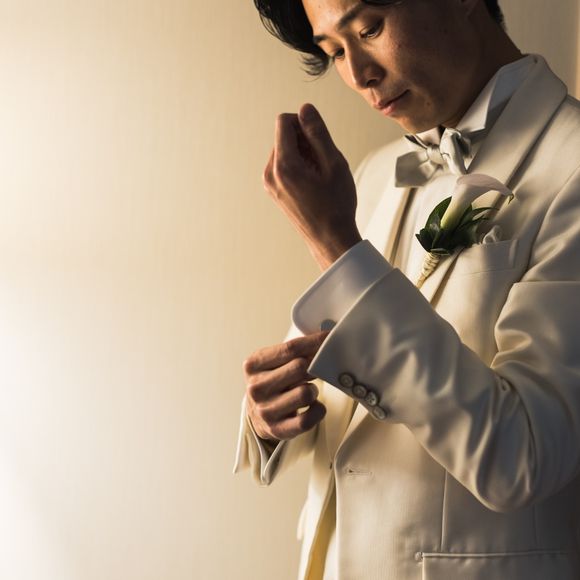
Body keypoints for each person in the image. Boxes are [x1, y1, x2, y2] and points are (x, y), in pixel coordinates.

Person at [233, 0, 580, 578]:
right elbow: (347, 395)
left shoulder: (572, 165)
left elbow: (523, 455)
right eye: (334, 51)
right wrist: (268, 418)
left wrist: (336, 246)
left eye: (369, 28)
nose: (358, 74)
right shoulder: (371, 174)